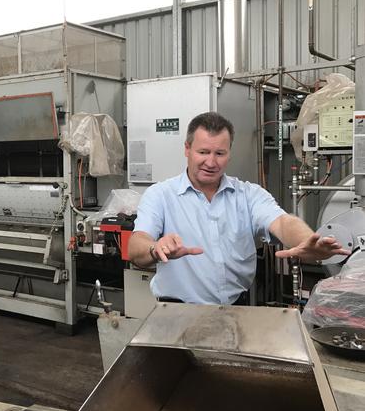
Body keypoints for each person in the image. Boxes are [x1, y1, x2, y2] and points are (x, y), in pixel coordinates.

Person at [127, 111, 350, 305]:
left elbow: (283, 222)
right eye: (203, 152)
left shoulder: (248, 195)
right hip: (176, 311)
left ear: (229, 153)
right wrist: (155, 249)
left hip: (236, 307)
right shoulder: (161, 195)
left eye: (219, 153)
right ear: (187, 149)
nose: (211, 162)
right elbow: (136, 246)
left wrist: (307, 240)